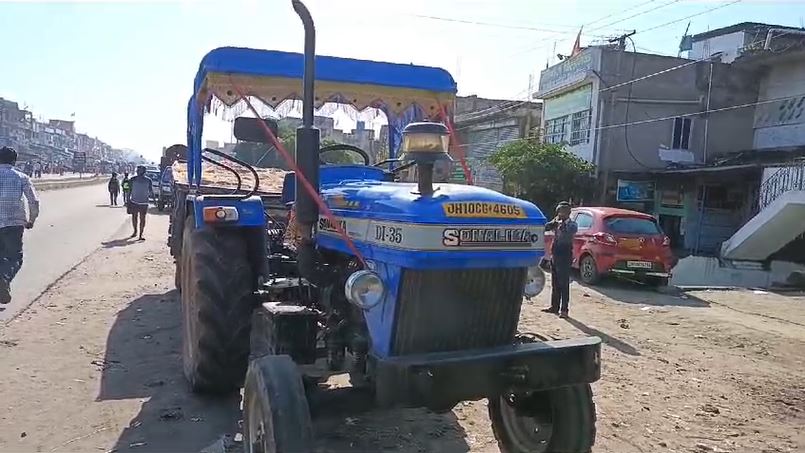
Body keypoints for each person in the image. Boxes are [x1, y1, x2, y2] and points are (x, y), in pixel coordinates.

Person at [0, 147, 39, 306]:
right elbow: (34, 201)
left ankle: (2, 281)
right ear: (14, 161)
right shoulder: (21, 177)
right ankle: (4, 279)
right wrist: (31, 220)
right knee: (15, 257)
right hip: (14, 224)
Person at [542, 201, 578, 318]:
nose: (559, 214)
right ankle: (554, 306)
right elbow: (546, 227)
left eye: (561, 212)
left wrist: (560, 224)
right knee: (555, 283)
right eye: (559, 212)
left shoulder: (572, 225)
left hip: (565, 256)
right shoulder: (557, 222)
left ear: (567, 213)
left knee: (564, 284)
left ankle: (564, 309)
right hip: (555, 255)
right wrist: (552, 223)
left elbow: (568, 232)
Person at [127, 166, 153, 240]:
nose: (138, 172)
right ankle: (135, 231)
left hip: (144, 203)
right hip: (134, 201)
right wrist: (128, 200)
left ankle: (141, 234)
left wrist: (154, 201)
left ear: (144, 172)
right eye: (137, 170)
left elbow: (151, 191)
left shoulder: (148, 180)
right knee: (134, 217)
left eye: (140, 171)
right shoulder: (132, 179)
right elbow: (129, 190)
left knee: (142, 219)